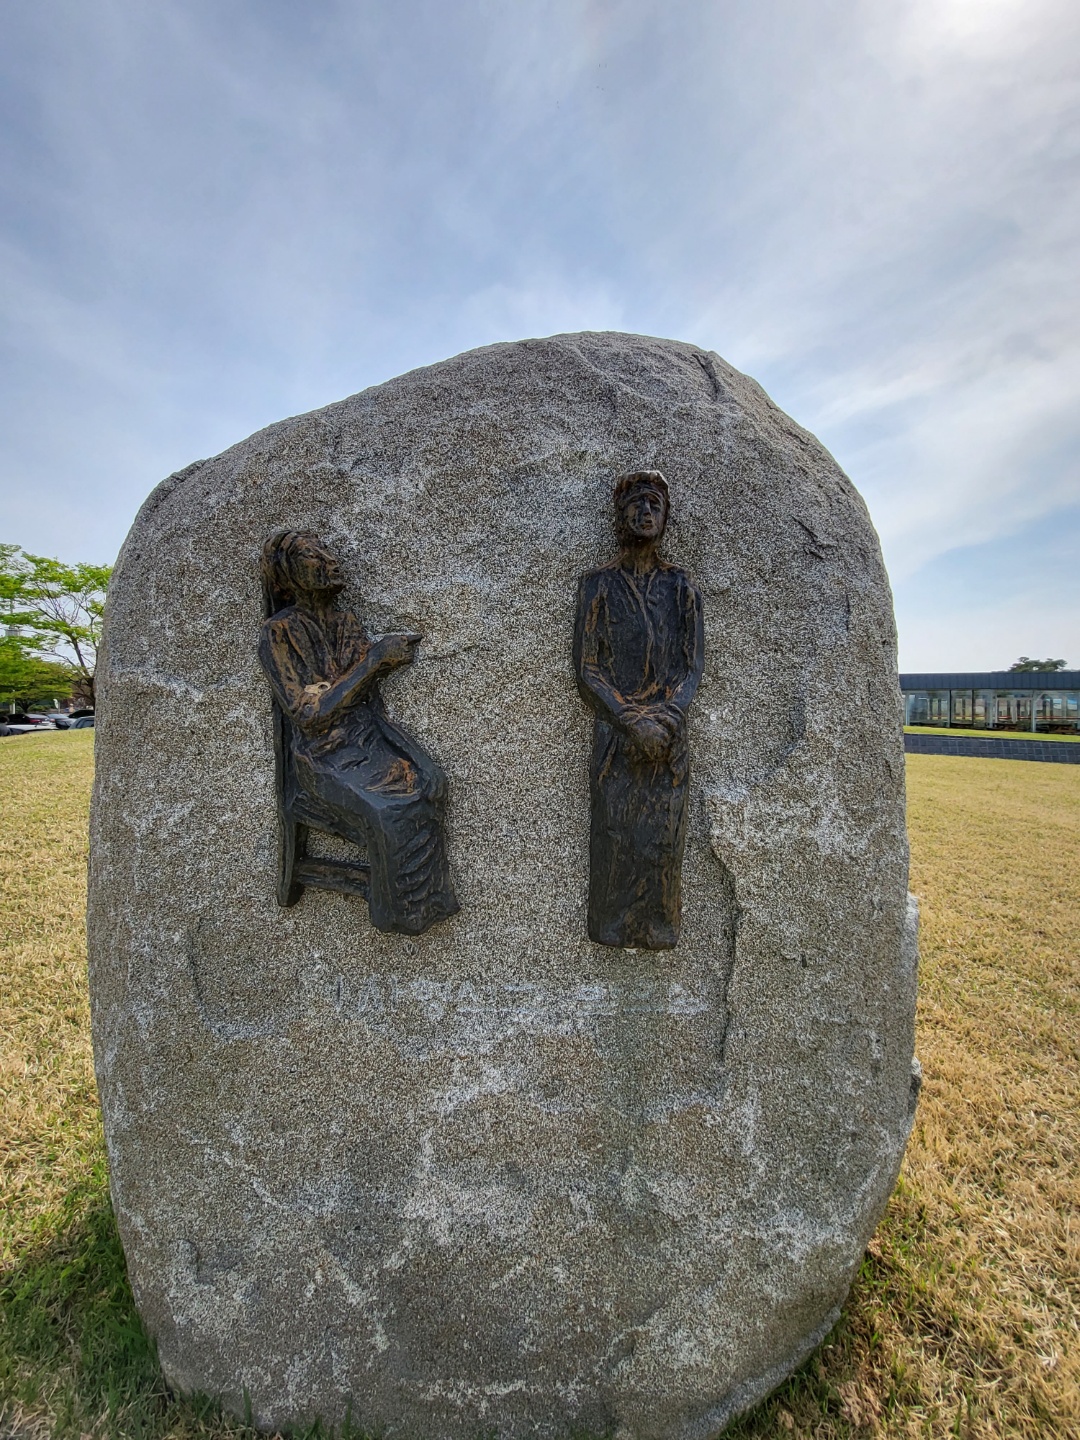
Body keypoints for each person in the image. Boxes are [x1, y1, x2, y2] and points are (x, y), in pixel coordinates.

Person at [258, 530, 458, 935]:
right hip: (322, 756)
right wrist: (372, 663)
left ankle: (426, 905)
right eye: (315, 555)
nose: (331, 560)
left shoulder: (345, 623)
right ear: (289, 574)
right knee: (392, 810)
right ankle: (398, 915)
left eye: (327, 551)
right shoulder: (278, 632)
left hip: (368, 745)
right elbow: (310, 717)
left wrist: (420, 759)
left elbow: (368, 704)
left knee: (430, 787)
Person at [573, 472, 704, 949]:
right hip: (617, 733)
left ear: (666, 517)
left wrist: (668, 716)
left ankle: (658, 924)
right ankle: (612, 924)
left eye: (655, 504)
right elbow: (587, 669)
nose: (646, 512)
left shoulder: (681, 586)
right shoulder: (598, 584)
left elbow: (693, 666)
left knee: (662, 837)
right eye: (635, 504)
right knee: (615, 831)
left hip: (668, 736)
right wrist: (630, 719)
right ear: (619, 514)